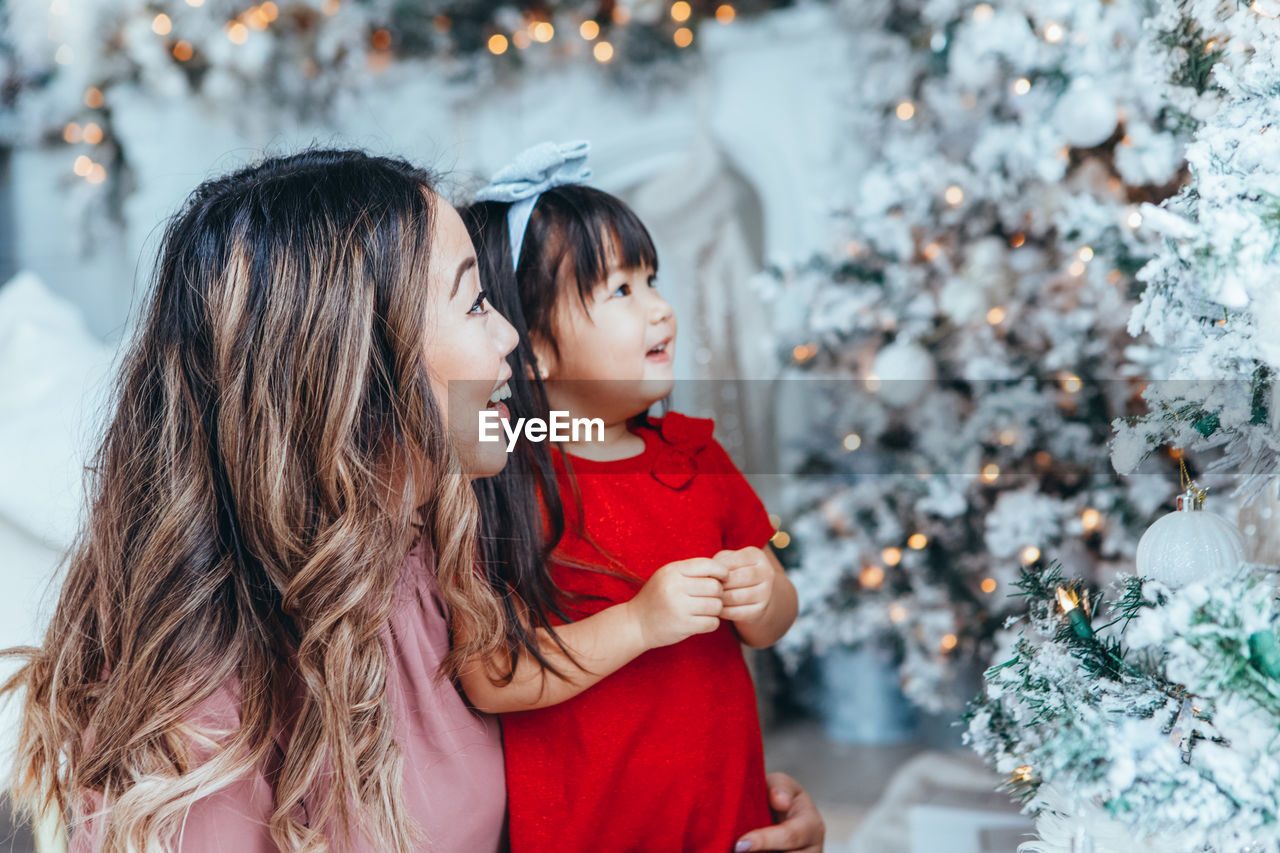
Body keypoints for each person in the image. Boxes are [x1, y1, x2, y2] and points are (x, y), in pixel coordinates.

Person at [1, 149, 824, 852]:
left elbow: (568, 764)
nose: (510, 338)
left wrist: (727, 807)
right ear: (356, 365)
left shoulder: (447, 556)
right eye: (474, 302)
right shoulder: (209, 697)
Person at [458, 142, 802, 852]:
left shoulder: (696, 454)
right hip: (595, 829)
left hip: (722, 816)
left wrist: (766, 594)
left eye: (652, 279)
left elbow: (770, 624)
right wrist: (641, 622)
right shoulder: (507, 480)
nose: (661, 309)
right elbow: (494, 675)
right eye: (621, 291)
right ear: (534, 348)